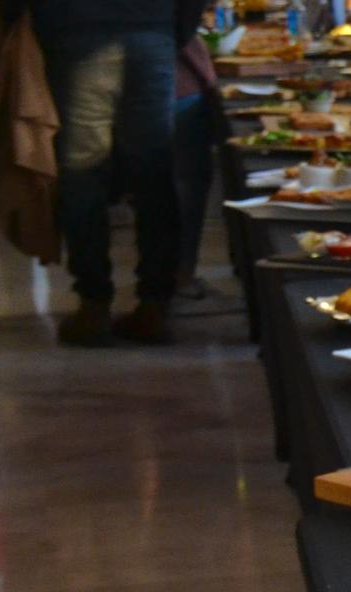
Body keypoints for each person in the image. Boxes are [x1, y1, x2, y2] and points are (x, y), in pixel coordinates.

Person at [32, 0, 203, 346]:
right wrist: (172, 30)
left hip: (77, 33)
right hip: (152, 31)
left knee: (82, 176)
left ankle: (93, 306)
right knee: (154, 173)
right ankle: (155, 306)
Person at [172, 30, 222, 301]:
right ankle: (181, 275)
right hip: (176, 83)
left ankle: (93, 300)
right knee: (187, 184)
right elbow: (185, 23)